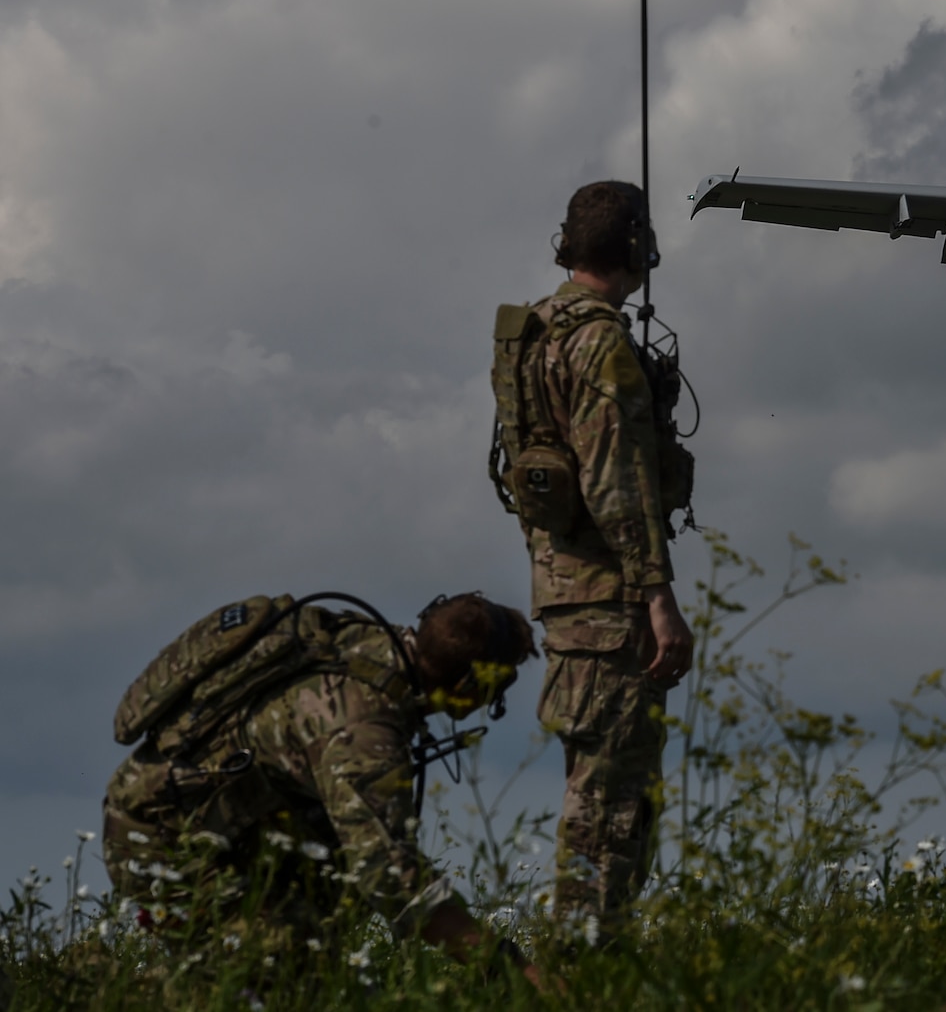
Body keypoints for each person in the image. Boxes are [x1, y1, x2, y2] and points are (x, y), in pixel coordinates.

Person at [102, 591, 542, 980]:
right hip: (158, 839)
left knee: (326, 905)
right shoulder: (362, 730)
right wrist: (512, 967)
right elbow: (393, 879)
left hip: (223, 814)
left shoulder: (372, 647)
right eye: (498, 684)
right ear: (466, 684)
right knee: (282, 968)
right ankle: (126, 984)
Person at [490, 179, 695, 925]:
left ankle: (586, 958)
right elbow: (616, 480)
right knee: (612, 812)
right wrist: (658, 596)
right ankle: (583, 967)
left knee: (597, 793)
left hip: (563, 593)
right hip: (611, 603)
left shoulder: (535, 331)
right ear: (638, 248)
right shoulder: (600, 340)